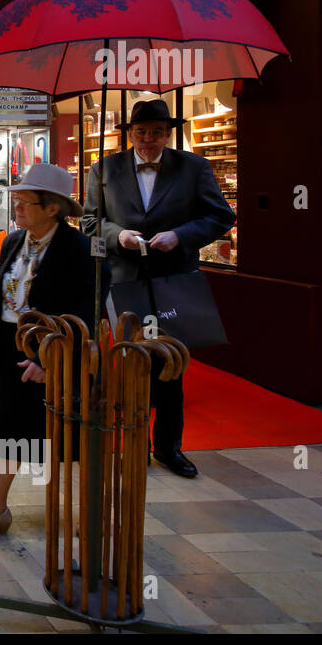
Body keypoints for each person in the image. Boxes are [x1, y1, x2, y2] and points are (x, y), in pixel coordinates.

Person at [82, 98, 236, 478]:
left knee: (170, 366)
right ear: (130, 134)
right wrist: (120, 237)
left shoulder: (193, 167)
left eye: (156, 132)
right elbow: (89, 221)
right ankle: (133, 444)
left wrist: (180, 236)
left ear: (169, 133)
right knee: (128, 363)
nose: (148, 139)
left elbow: (221, 216)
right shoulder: (104, 168)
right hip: (124, 283)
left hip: (173, 283)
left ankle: (169, 448)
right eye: (141, 132)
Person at [0, 163, 100, 538]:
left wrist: (49, 358)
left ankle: (86, 516)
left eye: (24, 201)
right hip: (11, 352)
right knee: (9, 433)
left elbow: (88, 310)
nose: (17, 208)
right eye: (16, 200)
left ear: (53, 207)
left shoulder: (79, 249)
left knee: (68, 439)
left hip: (56, 358)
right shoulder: (16, 241)